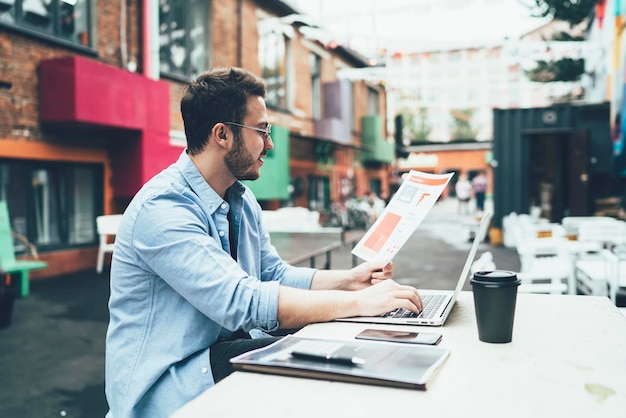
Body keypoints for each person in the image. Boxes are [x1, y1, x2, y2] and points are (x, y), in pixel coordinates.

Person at [104, 67, 423, 417]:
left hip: (224, 354)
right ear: (222, 134)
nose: (269, 143)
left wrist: (348, 282)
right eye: (262, 130)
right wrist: (360, 304)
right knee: (318, 369)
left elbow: (272, 274)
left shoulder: (240, 199)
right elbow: (241, 301)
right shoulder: (163, 208)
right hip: (168, 388)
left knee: (332, 354)